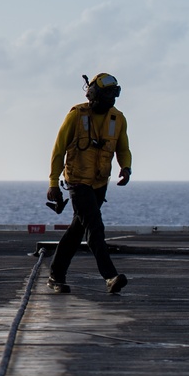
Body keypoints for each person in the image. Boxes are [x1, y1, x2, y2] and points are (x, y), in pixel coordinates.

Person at [46, 72, 132, 294]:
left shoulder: (118, 119)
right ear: (93, 94)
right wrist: (53, 183)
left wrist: (126, 167)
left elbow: (123, 148)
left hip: (99, 182)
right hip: (77, 181)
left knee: (77, 231)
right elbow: (58, 150)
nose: (111, 99)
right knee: (95, 226)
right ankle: (110, 276)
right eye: (107, 94)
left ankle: (55, 275)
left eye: (114, 94)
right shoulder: (76, 115)